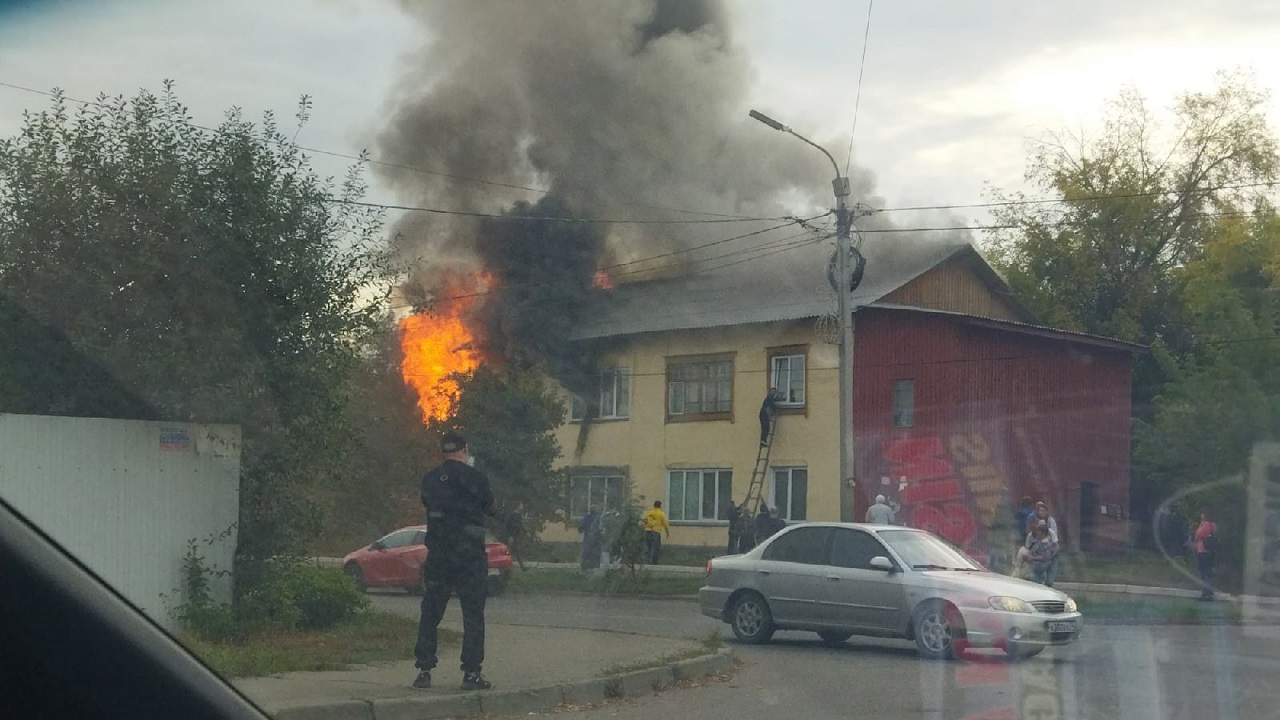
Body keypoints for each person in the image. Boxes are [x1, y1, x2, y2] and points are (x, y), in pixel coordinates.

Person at [413, 432, 496, 691]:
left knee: (431, 611)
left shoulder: (430, 479)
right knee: (472, 614)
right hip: (469, 556)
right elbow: (491, 507)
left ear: (443, 451)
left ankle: (424, 670)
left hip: (438, 553)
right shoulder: (476, 477)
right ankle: (471, 673)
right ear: (465, 449)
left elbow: (427, 502)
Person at [1033, 501, 1061, 586]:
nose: (1041, 512)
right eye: (1039, 510)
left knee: (1049, 581)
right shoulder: (1034, 523)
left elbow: (1056, 545)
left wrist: (1051, 555)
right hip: (1039, 557)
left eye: (1043, 510)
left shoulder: (1051, 527)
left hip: (1051, 555)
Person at [1193, 509, 1218, 601]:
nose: (1201, 515)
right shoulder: (1214, 525)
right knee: (1209, 572)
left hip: (1203, 550)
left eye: (1202, 514)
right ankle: (1209, 592)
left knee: (1204, 572)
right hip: (1211, 551)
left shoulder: (1205, 524)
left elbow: (1198, 534)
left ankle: (1206, 593)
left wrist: (1201, 524)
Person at [1026, 521, 1056, 586]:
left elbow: (1045, 556)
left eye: (1038, 531)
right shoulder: (1039, 542)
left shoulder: (1046, 544)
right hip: (1035, 569)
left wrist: (1033, 558)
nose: (1037, 533)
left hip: (1041, 569)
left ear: (1043, 533)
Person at [578, 505, 605, 571]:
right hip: (596, 539)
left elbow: (580, 528)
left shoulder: (586, 518)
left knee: (586, 553)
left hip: (588, 538)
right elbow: (602, 529)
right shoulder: (598, 518)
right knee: (594, 554)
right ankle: (593, 568)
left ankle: (584, 568)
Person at [501, 504, 527, 571]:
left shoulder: (519, 515)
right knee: (510, 551)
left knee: (513, 551)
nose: (522, 506)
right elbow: (507, 525)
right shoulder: (512, 515)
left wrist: (525, 531)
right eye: (521, 505)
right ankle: (506, 567)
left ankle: (507, 567)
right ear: (517, 506)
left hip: (515, 535)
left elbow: (520, 525)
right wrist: (509, 536)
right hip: (511, 536)